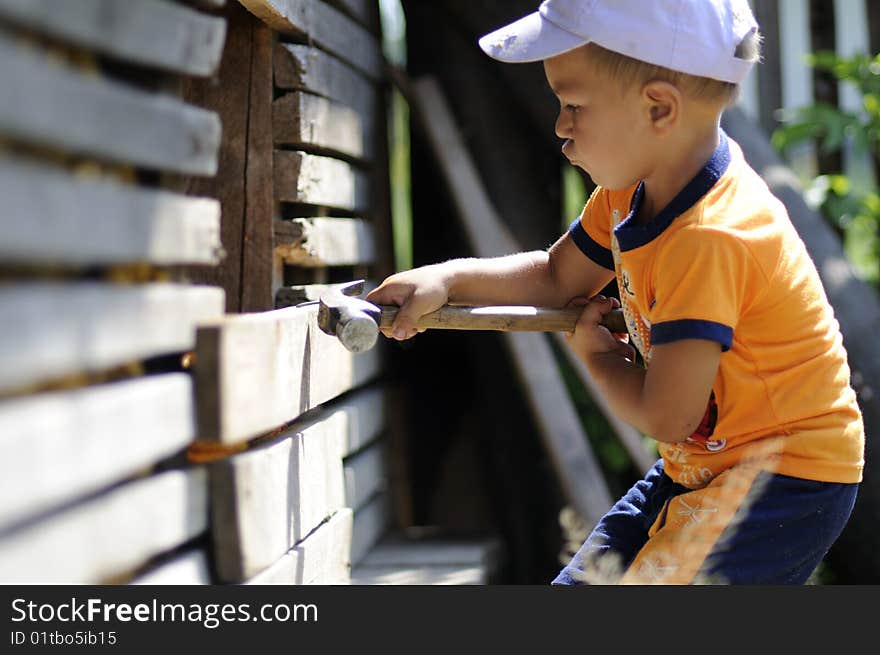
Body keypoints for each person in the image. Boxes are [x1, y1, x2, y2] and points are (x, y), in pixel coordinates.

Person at [366, 0, 865, 584]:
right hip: (704, 464)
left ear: (658, 107)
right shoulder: (633, 194)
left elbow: (667, 414)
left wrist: (598, 360)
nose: (559, 125)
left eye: (573, 105)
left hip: (781, 478)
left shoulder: (709, 238)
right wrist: (445, 280)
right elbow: (557, 278)